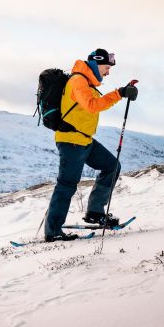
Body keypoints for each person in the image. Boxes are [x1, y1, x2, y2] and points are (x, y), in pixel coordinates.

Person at [44, 48, 138, 242]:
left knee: (112, 166)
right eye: (106, 67)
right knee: (67, 184)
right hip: (71, 141)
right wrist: (119, 93)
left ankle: (95, 212)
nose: (108, 72)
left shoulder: (86, 82)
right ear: (95, 64)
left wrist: (121, 92)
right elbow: (93, 105)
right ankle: (52, 231)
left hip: (84, 140)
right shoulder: (78, 81)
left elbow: (91, 105)